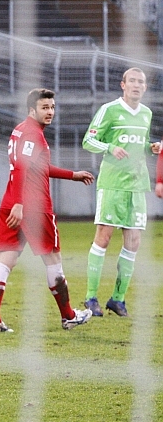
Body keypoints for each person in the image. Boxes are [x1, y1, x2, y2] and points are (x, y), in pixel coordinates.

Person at [0, 88, 95, 333]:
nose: (50, 112)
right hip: (33, 208)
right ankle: (68, 316)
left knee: (6, 261)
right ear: (31, 110)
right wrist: (20, 204)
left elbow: (36, 167)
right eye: (45, 107)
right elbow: (24, 167)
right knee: (53, 260)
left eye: (52, 107)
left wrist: (72, 175)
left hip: (12, 202)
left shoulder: (20, 130)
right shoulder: (33, 134)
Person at [82, 67, 161, 317]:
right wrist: (110, 147)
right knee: (104, 237)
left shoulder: (146, 113)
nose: (137, 85)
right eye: (132, 81)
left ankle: (118, 299)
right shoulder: (110, 109)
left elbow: (138, 147)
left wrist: (151, 148)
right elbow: (88, 141)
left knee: (134, 242)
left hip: (137, 185)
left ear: (145, 88)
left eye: (141, 82)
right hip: (113, 183)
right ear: (123, 85)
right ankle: (90, 297)